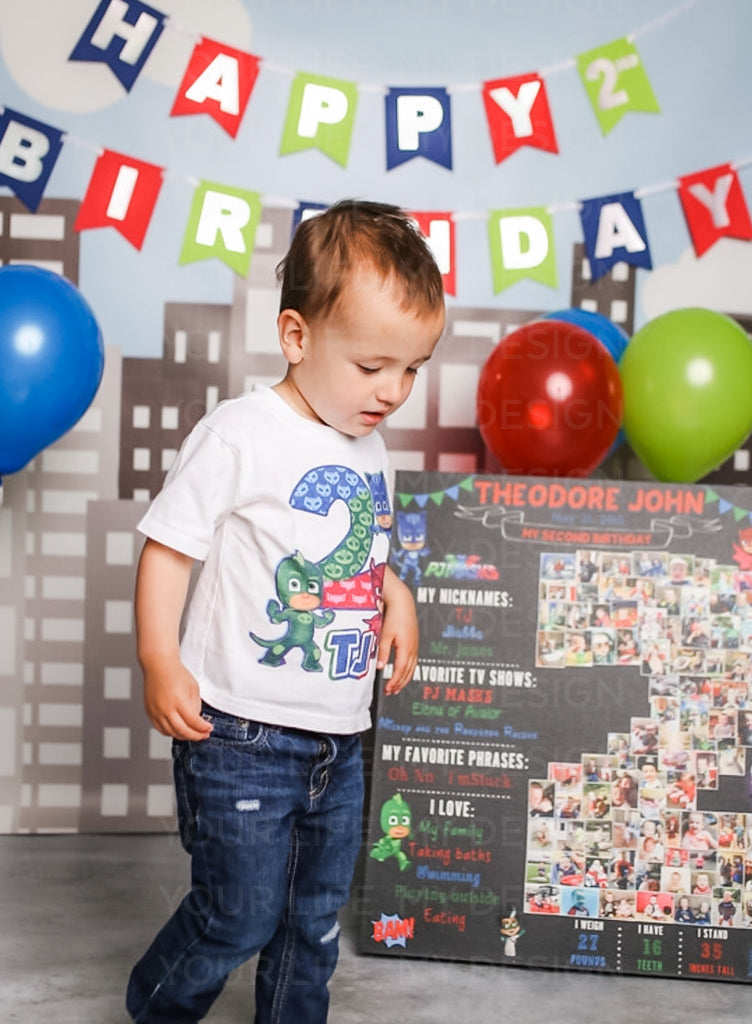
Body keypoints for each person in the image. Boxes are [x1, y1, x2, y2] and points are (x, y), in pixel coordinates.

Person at [125, 200, 446, 1024]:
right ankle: (158, 1006)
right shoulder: (241, 433)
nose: (393, 391)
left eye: (412, 368)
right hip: (239, 734)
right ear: (297, 338)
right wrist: (163, 659)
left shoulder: (368, 449)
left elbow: (363, 554)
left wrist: (396, 592)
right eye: (373, 365)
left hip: (339, 737)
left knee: (310, 924)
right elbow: (170, 547)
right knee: (239, 913)